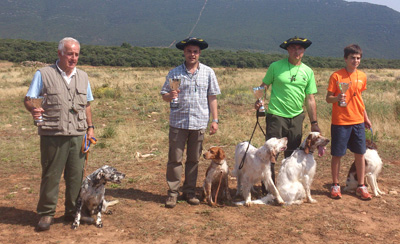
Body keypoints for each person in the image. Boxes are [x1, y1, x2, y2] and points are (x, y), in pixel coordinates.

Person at [24, 37, 95, 231]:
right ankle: (46, 214)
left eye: (76, 54)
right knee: (51, 175)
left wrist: (90, 128)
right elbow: (29, 99)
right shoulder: (43, 74)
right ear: (60, 54)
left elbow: (87, 104)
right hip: (53, 134)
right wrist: (33, 109)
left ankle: (73, 212)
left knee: (76, 176)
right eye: (70, 54)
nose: (73, 58)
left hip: (78, 134)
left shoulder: (83, 76)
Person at [160, 37, 220, 208]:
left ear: (199, 53)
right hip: (178, 123)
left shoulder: (208, 73)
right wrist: (169, 96)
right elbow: (164, 94)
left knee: (193, 160)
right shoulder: (174, 73)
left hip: (199, 123)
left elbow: (212, 97)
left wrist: (214, 120)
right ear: (184, 53)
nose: (192, 54)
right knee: (175, 159)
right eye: (189, 51)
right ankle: (173, 193)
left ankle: (190, 192)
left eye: (195, 51)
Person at [255, 36, 321, 187]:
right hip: (276, 115)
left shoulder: (308, 71)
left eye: (300, 48)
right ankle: (268, 187)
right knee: (272, 152)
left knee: (292, 154)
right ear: (287, 49)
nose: (296, 51)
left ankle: (287, 185)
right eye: (293, 48)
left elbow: (310, 99)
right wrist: (259, 100)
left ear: (303, 51)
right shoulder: (275, 66)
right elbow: (264, 86)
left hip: (297, 117)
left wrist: (314, 123)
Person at [326, 44, 372, 200]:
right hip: (340, 121)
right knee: (337, 154)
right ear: (345, 58)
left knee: (360, 154)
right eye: (352, 58)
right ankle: (335, 185)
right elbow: (328, 98)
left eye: (358, 58)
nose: (355, 60)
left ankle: (361, 185)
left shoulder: (362, 76)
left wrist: (365, 117)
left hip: (358, 120)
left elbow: (359, 98)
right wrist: (337, 98)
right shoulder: (336, 76)